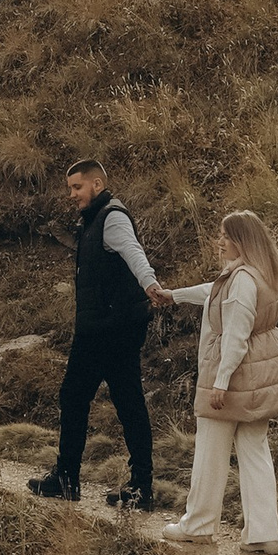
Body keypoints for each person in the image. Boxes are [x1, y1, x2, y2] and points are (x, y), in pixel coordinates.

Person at [149, 208, 278, 550]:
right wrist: (176, 294)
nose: (220, 242)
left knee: (210, 449)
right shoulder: (261, 273)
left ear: (242, 241)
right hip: (260, 374)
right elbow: (214, 293)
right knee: (255, 451)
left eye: (226, 236)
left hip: (235, 374)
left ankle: (198, 524)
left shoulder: (242, 279)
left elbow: (235, 334)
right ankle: (264, 533)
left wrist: (221, 382)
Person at [28, 156, 163, 511]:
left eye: (77, 187)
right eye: (69, 188)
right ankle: (136, 487)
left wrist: (150, 284)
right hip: (107, 326)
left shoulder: (112, 217)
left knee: (82, 397)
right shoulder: (93, 220)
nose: (71, 194)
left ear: (96, 185)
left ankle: (70, 480)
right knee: (122, 401)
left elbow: (134, 254)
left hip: (108, 329)